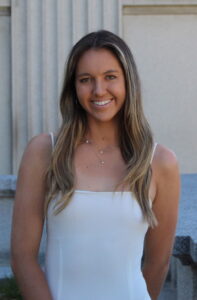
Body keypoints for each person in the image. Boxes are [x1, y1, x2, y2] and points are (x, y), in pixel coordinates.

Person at [11, 30, 180, 300]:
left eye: (110, 77)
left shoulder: (161, 163)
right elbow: (22, 257)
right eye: (86, 80)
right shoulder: (44, 153)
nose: (99, 90)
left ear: (128, 82)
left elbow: (158, 263)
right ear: (74, 88)